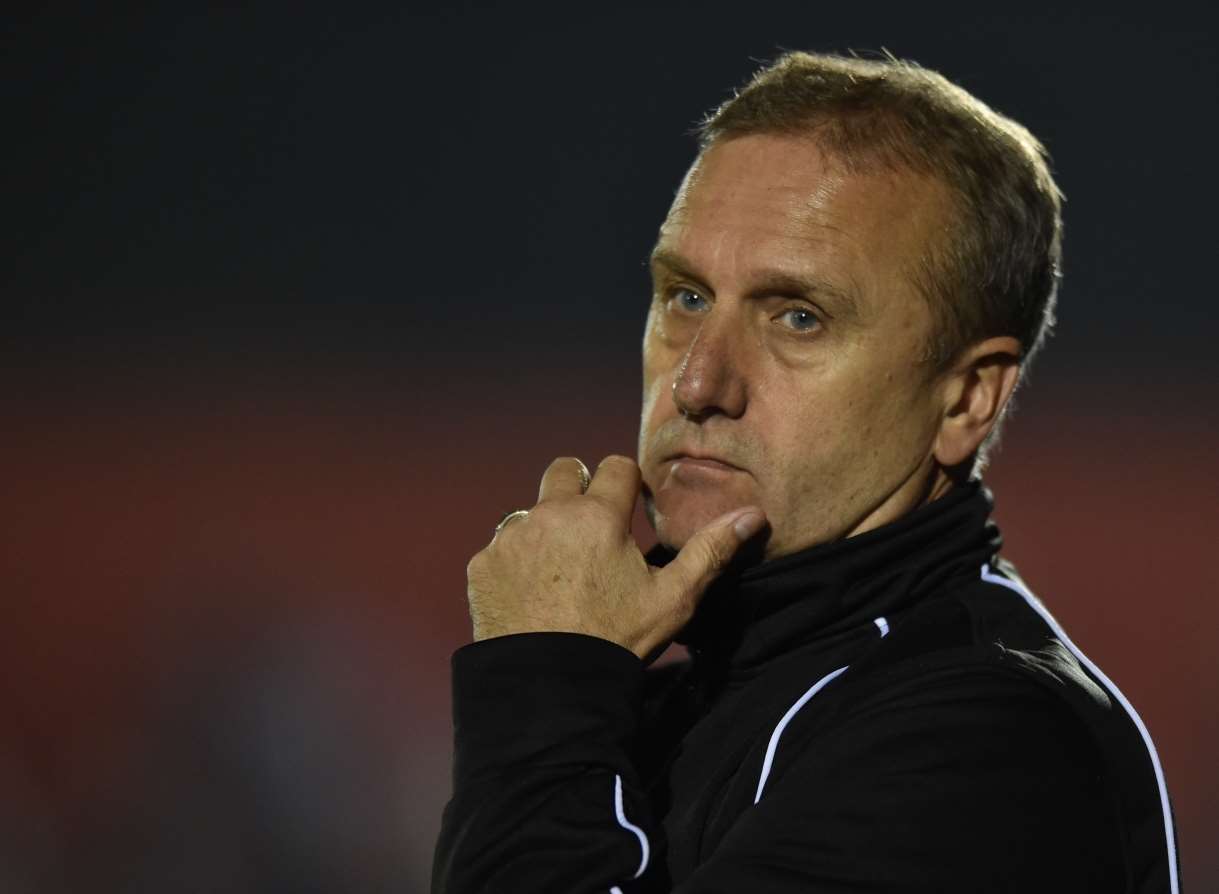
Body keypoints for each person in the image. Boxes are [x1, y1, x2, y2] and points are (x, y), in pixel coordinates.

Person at [432, 51, 1180, 892]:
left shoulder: (995, 742)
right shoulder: (671, 707)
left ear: (966, 399)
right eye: (684, 298)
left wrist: (544, 684)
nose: (697, 383)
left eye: (797, 317)